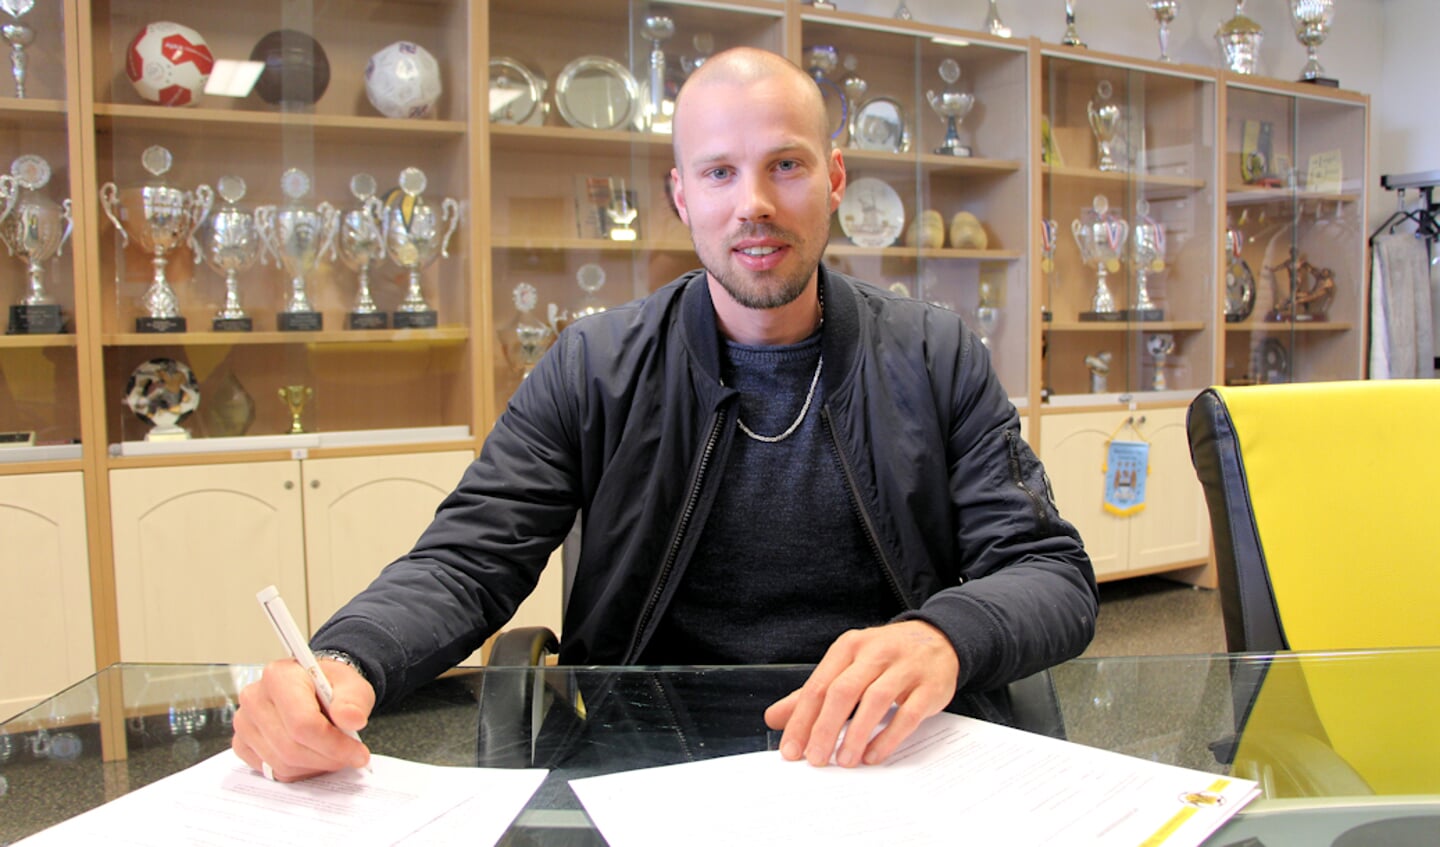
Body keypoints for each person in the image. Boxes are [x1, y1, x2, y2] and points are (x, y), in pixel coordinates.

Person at [232, 46, 1097, 782]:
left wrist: (944, 635)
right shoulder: (593, 363)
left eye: (785, 165)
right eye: (720, 172)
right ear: (682, 195)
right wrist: (343, 660)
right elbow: (466, 560)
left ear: (835, 180)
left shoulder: (935, 353)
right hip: (650, 759)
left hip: (883, 750)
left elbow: (1050, 573)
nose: (752, 202)